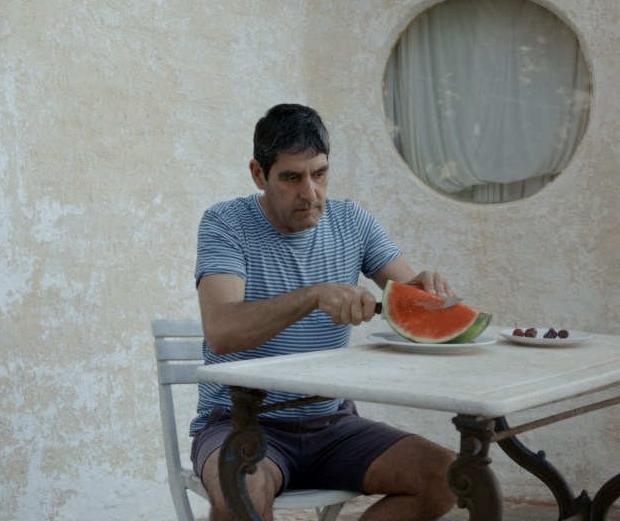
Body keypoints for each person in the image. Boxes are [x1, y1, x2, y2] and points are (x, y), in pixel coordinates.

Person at [190, 103, 457, 521]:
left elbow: (414, 303)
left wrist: (428, 294)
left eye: (319, 174)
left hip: (331, 422)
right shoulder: (226, 223)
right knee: (242, 495)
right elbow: (222, 331)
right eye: (291, 178)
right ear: (259, 174)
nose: (310, 193)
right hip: (241, 423)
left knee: (450, 476)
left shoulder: (353, 222)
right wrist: (313, 296)